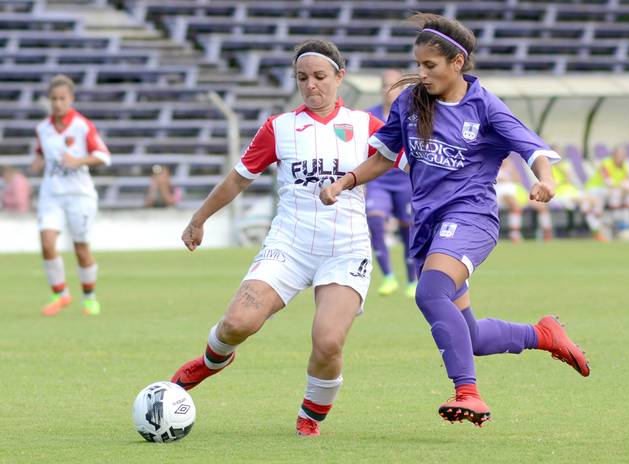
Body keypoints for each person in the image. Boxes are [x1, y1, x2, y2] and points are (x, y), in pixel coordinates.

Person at [320, 13, 589, 427]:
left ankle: (468, 391)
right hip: (430, 226)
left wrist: (547, 180)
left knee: (430, 293)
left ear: (457, 63)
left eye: (430, 66)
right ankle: (543, 334)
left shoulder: (484, 106)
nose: (422, 74)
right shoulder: (410, 103)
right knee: (473, 336)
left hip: (472, 219)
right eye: (419, 65)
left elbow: (530, 147)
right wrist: (347, 181)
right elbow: (384, 157)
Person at [170, 39, 384, 437]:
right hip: (290, 243)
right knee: (237, 322)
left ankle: (309, 418)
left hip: (345, 248)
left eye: (320, 77)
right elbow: (238, 179)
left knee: (328, 341)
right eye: (302, 78)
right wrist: (199, 219)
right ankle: (211, 361)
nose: (311, 85)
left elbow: (407, 163)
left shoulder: (367, 126)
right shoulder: (280, 128)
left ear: (341, 76)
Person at [31, 74, 111, 316]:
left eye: (62, 98)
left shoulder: (82, 125)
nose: (57, 103)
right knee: (46, 243)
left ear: (71, 99)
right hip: (52, 194)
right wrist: (37, 161)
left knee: (80, 248)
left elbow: (104, 156)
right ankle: (60, 293)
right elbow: (41, 153)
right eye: (53, 98)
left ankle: (89, 296)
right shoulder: (43, 128)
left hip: (79, 195)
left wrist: (78, 160)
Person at [365, 69, 417, 296]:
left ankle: (412, 280)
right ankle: (387, 277)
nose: (389, 89)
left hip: (405, 180)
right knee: (374, 218)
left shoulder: (412, 115)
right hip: (379, 180)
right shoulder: (370, 116)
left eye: (394, 84)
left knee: (408, 227)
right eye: (385, 84)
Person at [495, 155, 553, 242]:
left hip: (516, 190)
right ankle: (514, 234)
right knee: (515, 205)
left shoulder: (509, 166)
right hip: (500, 192)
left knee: (540, 205)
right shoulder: (492, 166)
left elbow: (518, 179)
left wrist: (511, 170)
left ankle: (547, 232)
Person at [585, 145, 629, 237]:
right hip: (595, 189)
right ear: (614, 155)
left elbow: (626, 182)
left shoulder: (624, 166)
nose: (622, 158)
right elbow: (608, 182)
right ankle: (613, 223)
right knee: (615, 193)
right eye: (619, 155)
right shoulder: (606, 163)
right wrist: (623, 187)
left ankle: (622, 223)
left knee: (628, 194)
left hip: (609, 190)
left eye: (623, 155)